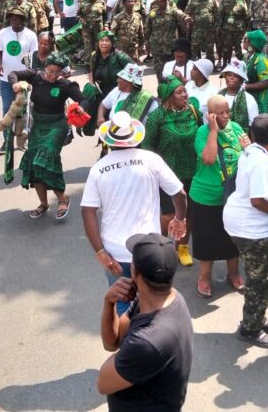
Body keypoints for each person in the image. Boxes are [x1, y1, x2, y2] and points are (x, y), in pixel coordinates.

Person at [82, 111, 188, 315]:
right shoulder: (151, 160)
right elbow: (180, 193)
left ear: (110, 141)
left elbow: (88, 212)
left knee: (123, 302)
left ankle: (128, 342)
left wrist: (100, 252)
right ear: (134, 137)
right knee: (157, 300)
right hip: (150, 249)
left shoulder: (98, 169)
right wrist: (179, 219)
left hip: (115, 252)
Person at [96, 233, 194, 411]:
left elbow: (103, 383)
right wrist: (109, 303)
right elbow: (113, 341)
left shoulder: (146, 342)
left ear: (135, 271)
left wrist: (130, 352)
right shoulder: (165, 298)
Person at [222, 114, 268, 349]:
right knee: (259, 281)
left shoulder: (251, 151)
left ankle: (257, 316)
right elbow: (258, 200)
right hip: (252, 230)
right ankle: (250, 329)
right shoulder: (259, 161)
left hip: (251, 226)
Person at [10, 53, 83, 221]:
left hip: (57, 125)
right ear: (45, 68)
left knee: (47, 155)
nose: (52, 75)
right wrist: (15, 85)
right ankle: (43, 204)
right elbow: (13, 74)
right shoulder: (35, 77)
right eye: (50, 71)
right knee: (33, 163)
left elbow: (82, 99)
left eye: (57, 73)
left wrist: (80, 108)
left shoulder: (65, 85)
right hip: (38, 125)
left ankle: (63, 198)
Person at [190, 95, 248, 298]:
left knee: (232, 239)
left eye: (227, 111)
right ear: (210, 114)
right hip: (206, 197)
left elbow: (247, 156)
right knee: (207, 240)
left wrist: (248, 146)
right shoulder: (202, 132)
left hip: (233, 196)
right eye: (220, 113)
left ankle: (234, 273)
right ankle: (204, 278)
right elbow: (208, 159)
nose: (225, 116)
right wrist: (213, 131)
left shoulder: (237, 128)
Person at [139, 79, 201, 266]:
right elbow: (147, 145)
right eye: (179, 92)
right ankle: (162, 248)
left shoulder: (192, 111)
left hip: (192, 171)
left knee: (187, 213)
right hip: (166, 173)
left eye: (185, 91)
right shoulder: (158, 117)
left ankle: (182, 248)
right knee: (167, 215)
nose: (185, 95)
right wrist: (150, 171)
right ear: (169, 97)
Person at [242, 30, 268, 114]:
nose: (243, 40)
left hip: (260, 100)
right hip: (249, 97)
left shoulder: (261, 60)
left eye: (245, 39)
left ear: (251, 43)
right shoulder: (246, 56)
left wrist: (245, 86)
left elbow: (265, 83)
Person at [221, 58, 259, 129]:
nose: (231, 78)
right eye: (229, 75)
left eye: (236, 76)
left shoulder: (249, 99)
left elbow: (254, 125)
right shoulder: (219, 96)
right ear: (225, 77)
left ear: (241, 80)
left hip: (241, 138)